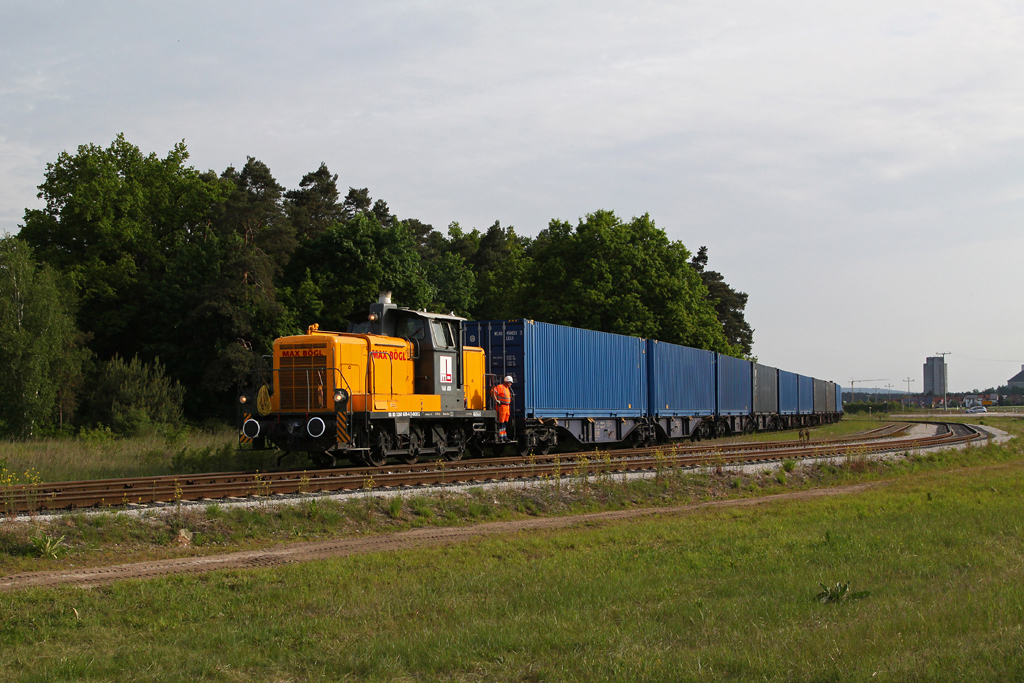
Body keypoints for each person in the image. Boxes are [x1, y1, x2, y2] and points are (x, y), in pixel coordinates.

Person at [492, 375, 513, 442]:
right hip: (502, 406)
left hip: (507, 407)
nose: (510, 384)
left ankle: (504, 436)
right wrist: (496, 400)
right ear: (507, 382)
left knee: (506, 422)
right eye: (510, 383)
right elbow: (493, 391)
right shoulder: (500, 387)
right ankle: (501, 437)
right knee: (501, 422)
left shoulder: (507, 388)